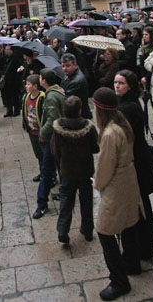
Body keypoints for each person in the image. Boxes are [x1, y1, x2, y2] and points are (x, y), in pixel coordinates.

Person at [91, 87, 144, 301]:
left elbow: (106, 166)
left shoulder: (110, 133)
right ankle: (132, 263)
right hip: (129, 180)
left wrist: (98, 183)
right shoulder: (122, 122)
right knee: (128, 223)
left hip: (117, 185)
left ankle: (119, 281)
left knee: (105, 231)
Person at [114, 69, 153, 261]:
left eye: (121, 83)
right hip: (136, 159)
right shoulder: (126, 103)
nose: (117, 86)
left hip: (137, 162)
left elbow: (127, 139)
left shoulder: (129, 108)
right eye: (115, 82)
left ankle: (145, 245)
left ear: (130, 86)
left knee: (140, 204)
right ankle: (146, 243)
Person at [51, 96, 99, 246]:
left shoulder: (58, 128)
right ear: (79, 110)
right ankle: (87, 230)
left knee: (66, 199)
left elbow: (55, 150)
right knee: (86, 201)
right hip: (85, 170)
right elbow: (95, 148)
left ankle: (62, 230)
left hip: (67, 170)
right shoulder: (88, 127)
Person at [33, 68, 65, 219]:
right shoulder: (56, 92)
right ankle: (64, 192)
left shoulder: (51, 96)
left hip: (52, 139)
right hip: (58, 138)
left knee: (46, 171)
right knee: (60, 167)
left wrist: (42, 134)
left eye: (40, 78)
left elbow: (53, 119)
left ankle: (42, 203)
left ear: (44, 81)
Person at [21, 74, 45, 182]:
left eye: (28, 84)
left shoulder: (42, 98)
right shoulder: (26, 97)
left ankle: (50, 175)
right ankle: (42, 172)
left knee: (45, 155)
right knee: (38, 154)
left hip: (41, 132)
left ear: (35, 86)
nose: (26, 86)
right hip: (32, 131)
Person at [61, 53, 92, 119]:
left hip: (78, 115)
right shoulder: (69, 74)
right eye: (63, 66)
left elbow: (67, 100)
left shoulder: (77, 81)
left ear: (75, 65)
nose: (64, 69)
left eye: (68, 66)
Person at [2, 45, 23, 117]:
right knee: (7, 97)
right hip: (7, 81)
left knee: (15, 97)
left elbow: (18, 70)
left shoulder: (15, 58)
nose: (6, 51)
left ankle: (16, 111)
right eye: (5, 49)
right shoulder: (5, 57)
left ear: (11, 50)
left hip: (14, 81)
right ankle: (9, 111)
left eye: (7, 49)